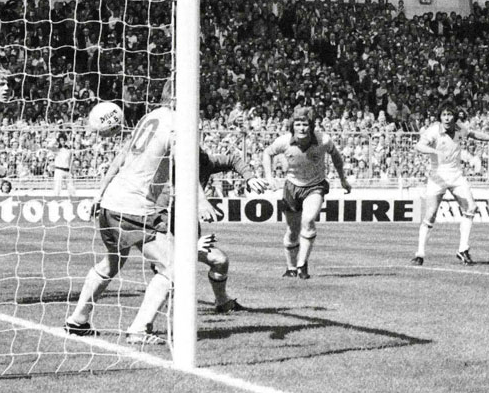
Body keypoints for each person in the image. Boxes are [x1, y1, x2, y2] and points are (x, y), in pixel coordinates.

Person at [64, 80, 179, 345]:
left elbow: (121, 156)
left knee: (113, 262)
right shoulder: (178, 122)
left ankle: (77, 320)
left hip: (112, 200)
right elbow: (186, 164)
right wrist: (201, 200)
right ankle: (139, 329)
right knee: (173, 268)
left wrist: (99, 192)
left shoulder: (150, 117)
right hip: (136, 207)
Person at [411, 103, 489, 266]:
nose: (447, 118)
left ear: (454, 116)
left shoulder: (459, 128)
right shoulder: (433, 131)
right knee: (430, 214)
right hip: (437, 176)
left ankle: (463, 250)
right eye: (444, 115)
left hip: (456, 175)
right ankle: (420, 254)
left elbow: (474, 134)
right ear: (440, 117)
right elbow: (419, 145)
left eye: (449, 114)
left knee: (471, 208)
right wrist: (435, 151)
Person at [262, 106, 351, 280]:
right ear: (292, 126)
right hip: (292, 186)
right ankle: (291, 268)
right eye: (298, 124)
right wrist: (269, 176)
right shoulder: (284, 141)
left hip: (315, 185)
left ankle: (302, 265)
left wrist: (343, 179)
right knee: (292, 231)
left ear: (311, 126)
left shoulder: (323, 140)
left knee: (308, 220)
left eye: (305, 124)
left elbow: (336, 156)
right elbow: (267, 153)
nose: (302, 128)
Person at [197, 146, 270, 312]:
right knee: (170, 271)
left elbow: (233, 160)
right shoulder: (168, 166)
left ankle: (222, 303)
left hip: (187, 227)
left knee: (220, 261)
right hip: (160, 224)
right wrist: (201, 201)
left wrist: (249, 178)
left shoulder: (206, 162)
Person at [52, 133, 76, 198]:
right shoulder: (57, 149)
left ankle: (73, 198)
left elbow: (70, 161)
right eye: (61, 140)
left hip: (67, 170)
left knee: (71, 187)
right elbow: (50, 147)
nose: (62, 142)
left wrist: (71, 170)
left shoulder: (68, 150)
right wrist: (55, 140)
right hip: (59, 170)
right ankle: (56, 199)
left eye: (63, 140)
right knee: (57, 187)